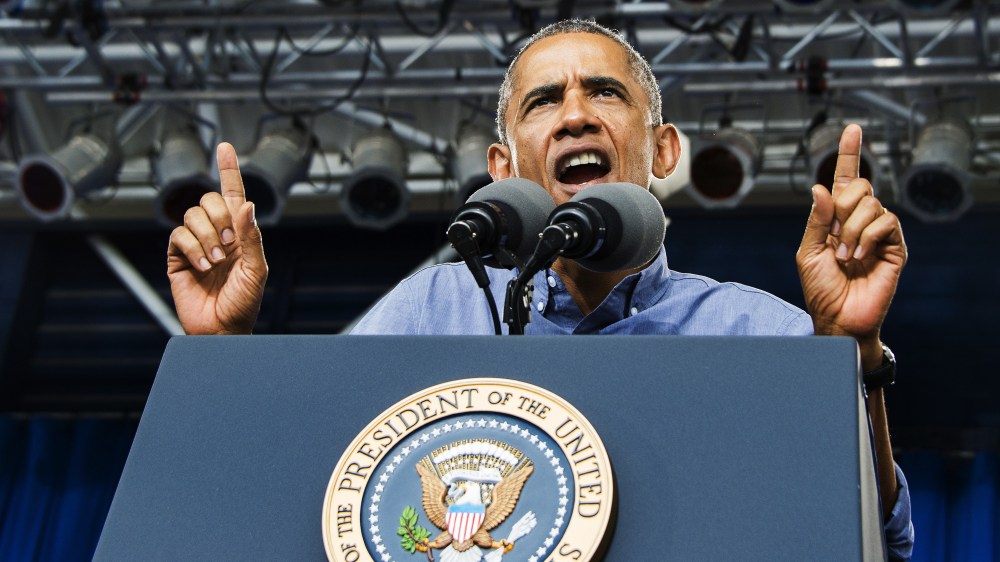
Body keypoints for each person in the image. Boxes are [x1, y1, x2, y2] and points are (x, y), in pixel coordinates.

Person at [167, 19, 914, 558]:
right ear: (502, 166)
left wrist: (852, 351)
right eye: (544, 101)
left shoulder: (758, 333)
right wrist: (220, 354)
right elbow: (308, 500)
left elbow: (878, 537)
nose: (575, 116)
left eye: (604, 93)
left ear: (663, 150)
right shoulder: (430, 309)